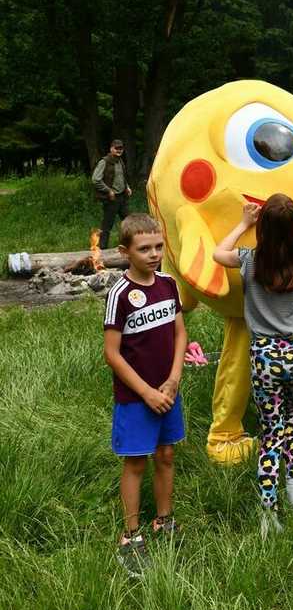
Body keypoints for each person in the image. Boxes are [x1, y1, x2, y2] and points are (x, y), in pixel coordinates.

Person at [213, 187, 293, 537]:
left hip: (265, 358)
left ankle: (268, 510)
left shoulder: (249, 261)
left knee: (270, 432)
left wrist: (242, 221)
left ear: (262, 231)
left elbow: (219, 253)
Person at [103, 214, 187, 578]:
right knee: (136, 461)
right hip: (137, 397)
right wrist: (147, 392)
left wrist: (172, 380)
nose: (154, 254)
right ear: (125, 252)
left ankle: (163, 520)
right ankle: (131, 535)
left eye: (158, 246)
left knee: (166, 454)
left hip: (168, 391)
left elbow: (180, 334)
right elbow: (112, 353)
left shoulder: (168, 284)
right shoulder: (119, 295)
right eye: (144, 249)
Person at [92, 139, 132, 250]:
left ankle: (130, 245)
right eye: (116, 148)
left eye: (121, 148)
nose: (119, 150)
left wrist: (127, 187)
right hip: (111, 198)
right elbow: (95, 179)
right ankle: (102, 249)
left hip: (122, 197)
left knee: (129, 222)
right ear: (111, 148)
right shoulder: (104, 162)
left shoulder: (120, 161)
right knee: (107, 225)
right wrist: (108, 190)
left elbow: (121, 177)